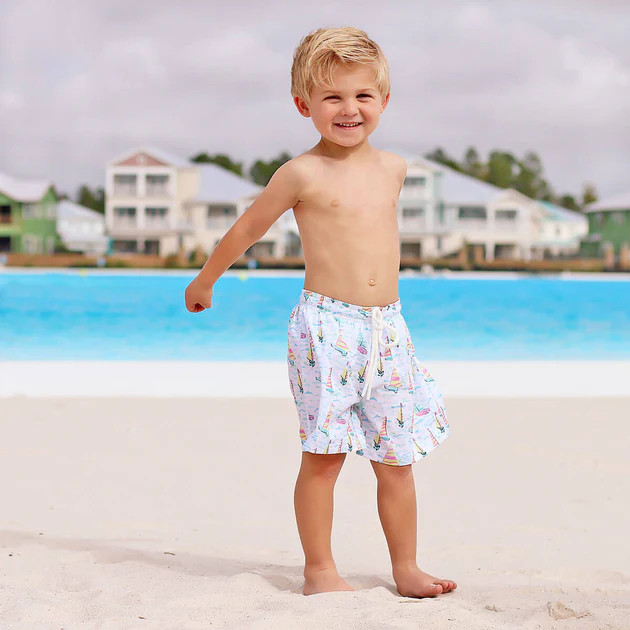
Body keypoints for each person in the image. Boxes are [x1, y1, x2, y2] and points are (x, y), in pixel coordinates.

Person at [185, 26, 455, 598]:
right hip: (327, 328)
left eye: (362, 95)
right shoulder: (301, 173)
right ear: (304, 104)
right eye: (332, 97)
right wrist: (207, 278)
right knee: (324, 456)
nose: (349, 109)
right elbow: (248, 228)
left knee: (397, 458)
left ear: (384, 100)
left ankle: (406, 567)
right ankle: (320, 571)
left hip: (388, 329)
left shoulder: (395, 168)